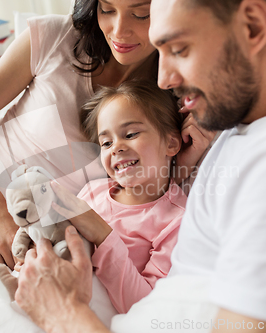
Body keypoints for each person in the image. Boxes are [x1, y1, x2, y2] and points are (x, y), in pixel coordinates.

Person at [14, 0, 266, 332]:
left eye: (178, 49)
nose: (164, 79)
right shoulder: (259, 119)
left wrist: (62, 314)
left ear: (252, 26)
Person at [0, 0, 209, 271]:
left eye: (141, 14)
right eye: (107, 10)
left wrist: (184, 163)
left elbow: (146, 198)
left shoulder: (178, 96)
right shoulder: (55, 37)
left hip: (37, 235)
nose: (119, 30)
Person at [44, 80, 187, 314]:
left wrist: (102, 234)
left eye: (130, 134)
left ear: (170, 143)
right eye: (106, 142)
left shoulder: (176, 221)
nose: (116, 148)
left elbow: (144, 307)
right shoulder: (93, 191)